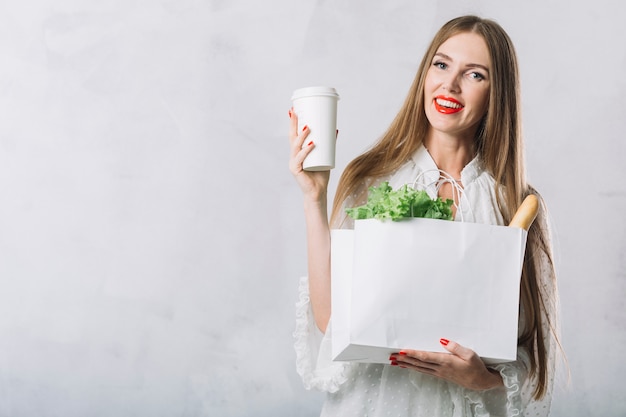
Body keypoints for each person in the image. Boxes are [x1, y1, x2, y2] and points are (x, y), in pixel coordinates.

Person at [288, 15, 561, 417]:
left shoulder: (516, 205)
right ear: (425, 74)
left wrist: (483, 379)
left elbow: (536, 361)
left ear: (497, 94)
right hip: (377, 404)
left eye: (474, 74)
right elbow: (332, 323)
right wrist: (315, 199)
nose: (450, 85)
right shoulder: (370, 179)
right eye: (441, 64)